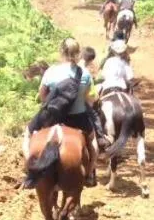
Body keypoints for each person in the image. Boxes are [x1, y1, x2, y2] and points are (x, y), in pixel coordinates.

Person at [27, 37, 101, 183]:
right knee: (93, 142)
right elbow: (90, 99)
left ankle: (30, 171)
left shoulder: (51, 71)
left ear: (61, 51)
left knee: (27, 135)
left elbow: (42, 95)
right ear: (78, 53)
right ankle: (90, 174)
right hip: (78, 118)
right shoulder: (85, 74)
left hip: (52, 117)